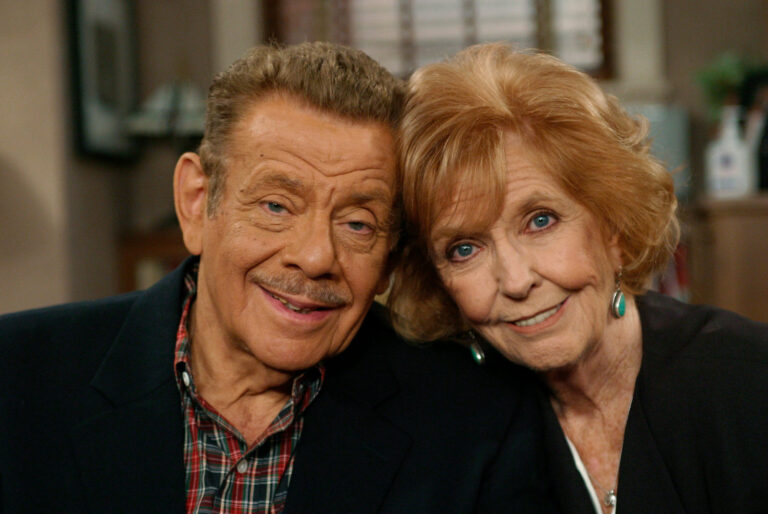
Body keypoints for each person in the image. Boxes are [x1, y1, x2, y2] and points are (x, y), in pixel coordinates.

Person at [0, 42, 552, 513]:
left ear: (389, 258)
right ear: (196, 203)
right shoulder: (17, 377)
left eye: (358, 223)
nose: (315, 257)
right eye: (276, 206)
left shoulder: (475, 422)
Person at [389, 42, 768, 514]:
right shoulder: (461, 431)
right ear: (438, 281)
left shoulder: (748, 381)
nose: (516, 280)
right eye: (464, 249)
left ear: (612, 226)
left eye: (540, 221)